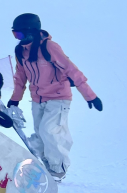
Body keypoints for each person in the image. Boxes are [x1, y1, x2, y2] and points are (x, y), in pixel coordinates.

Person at [7, 13, 102, 181]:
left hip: (59, 97)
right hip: (37, 99)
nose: (18, 39)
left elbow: (71, 69)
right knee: (41, 133)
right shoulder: (20, 51)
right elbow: (20, 76)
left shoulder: (49, 47)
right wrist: (16, 98)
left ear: (32, 31)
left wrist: (90, 96)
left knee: (49, 131)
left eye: (20, 34)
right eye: (15, 34)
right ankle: (47, 165)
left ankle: (59, 168)